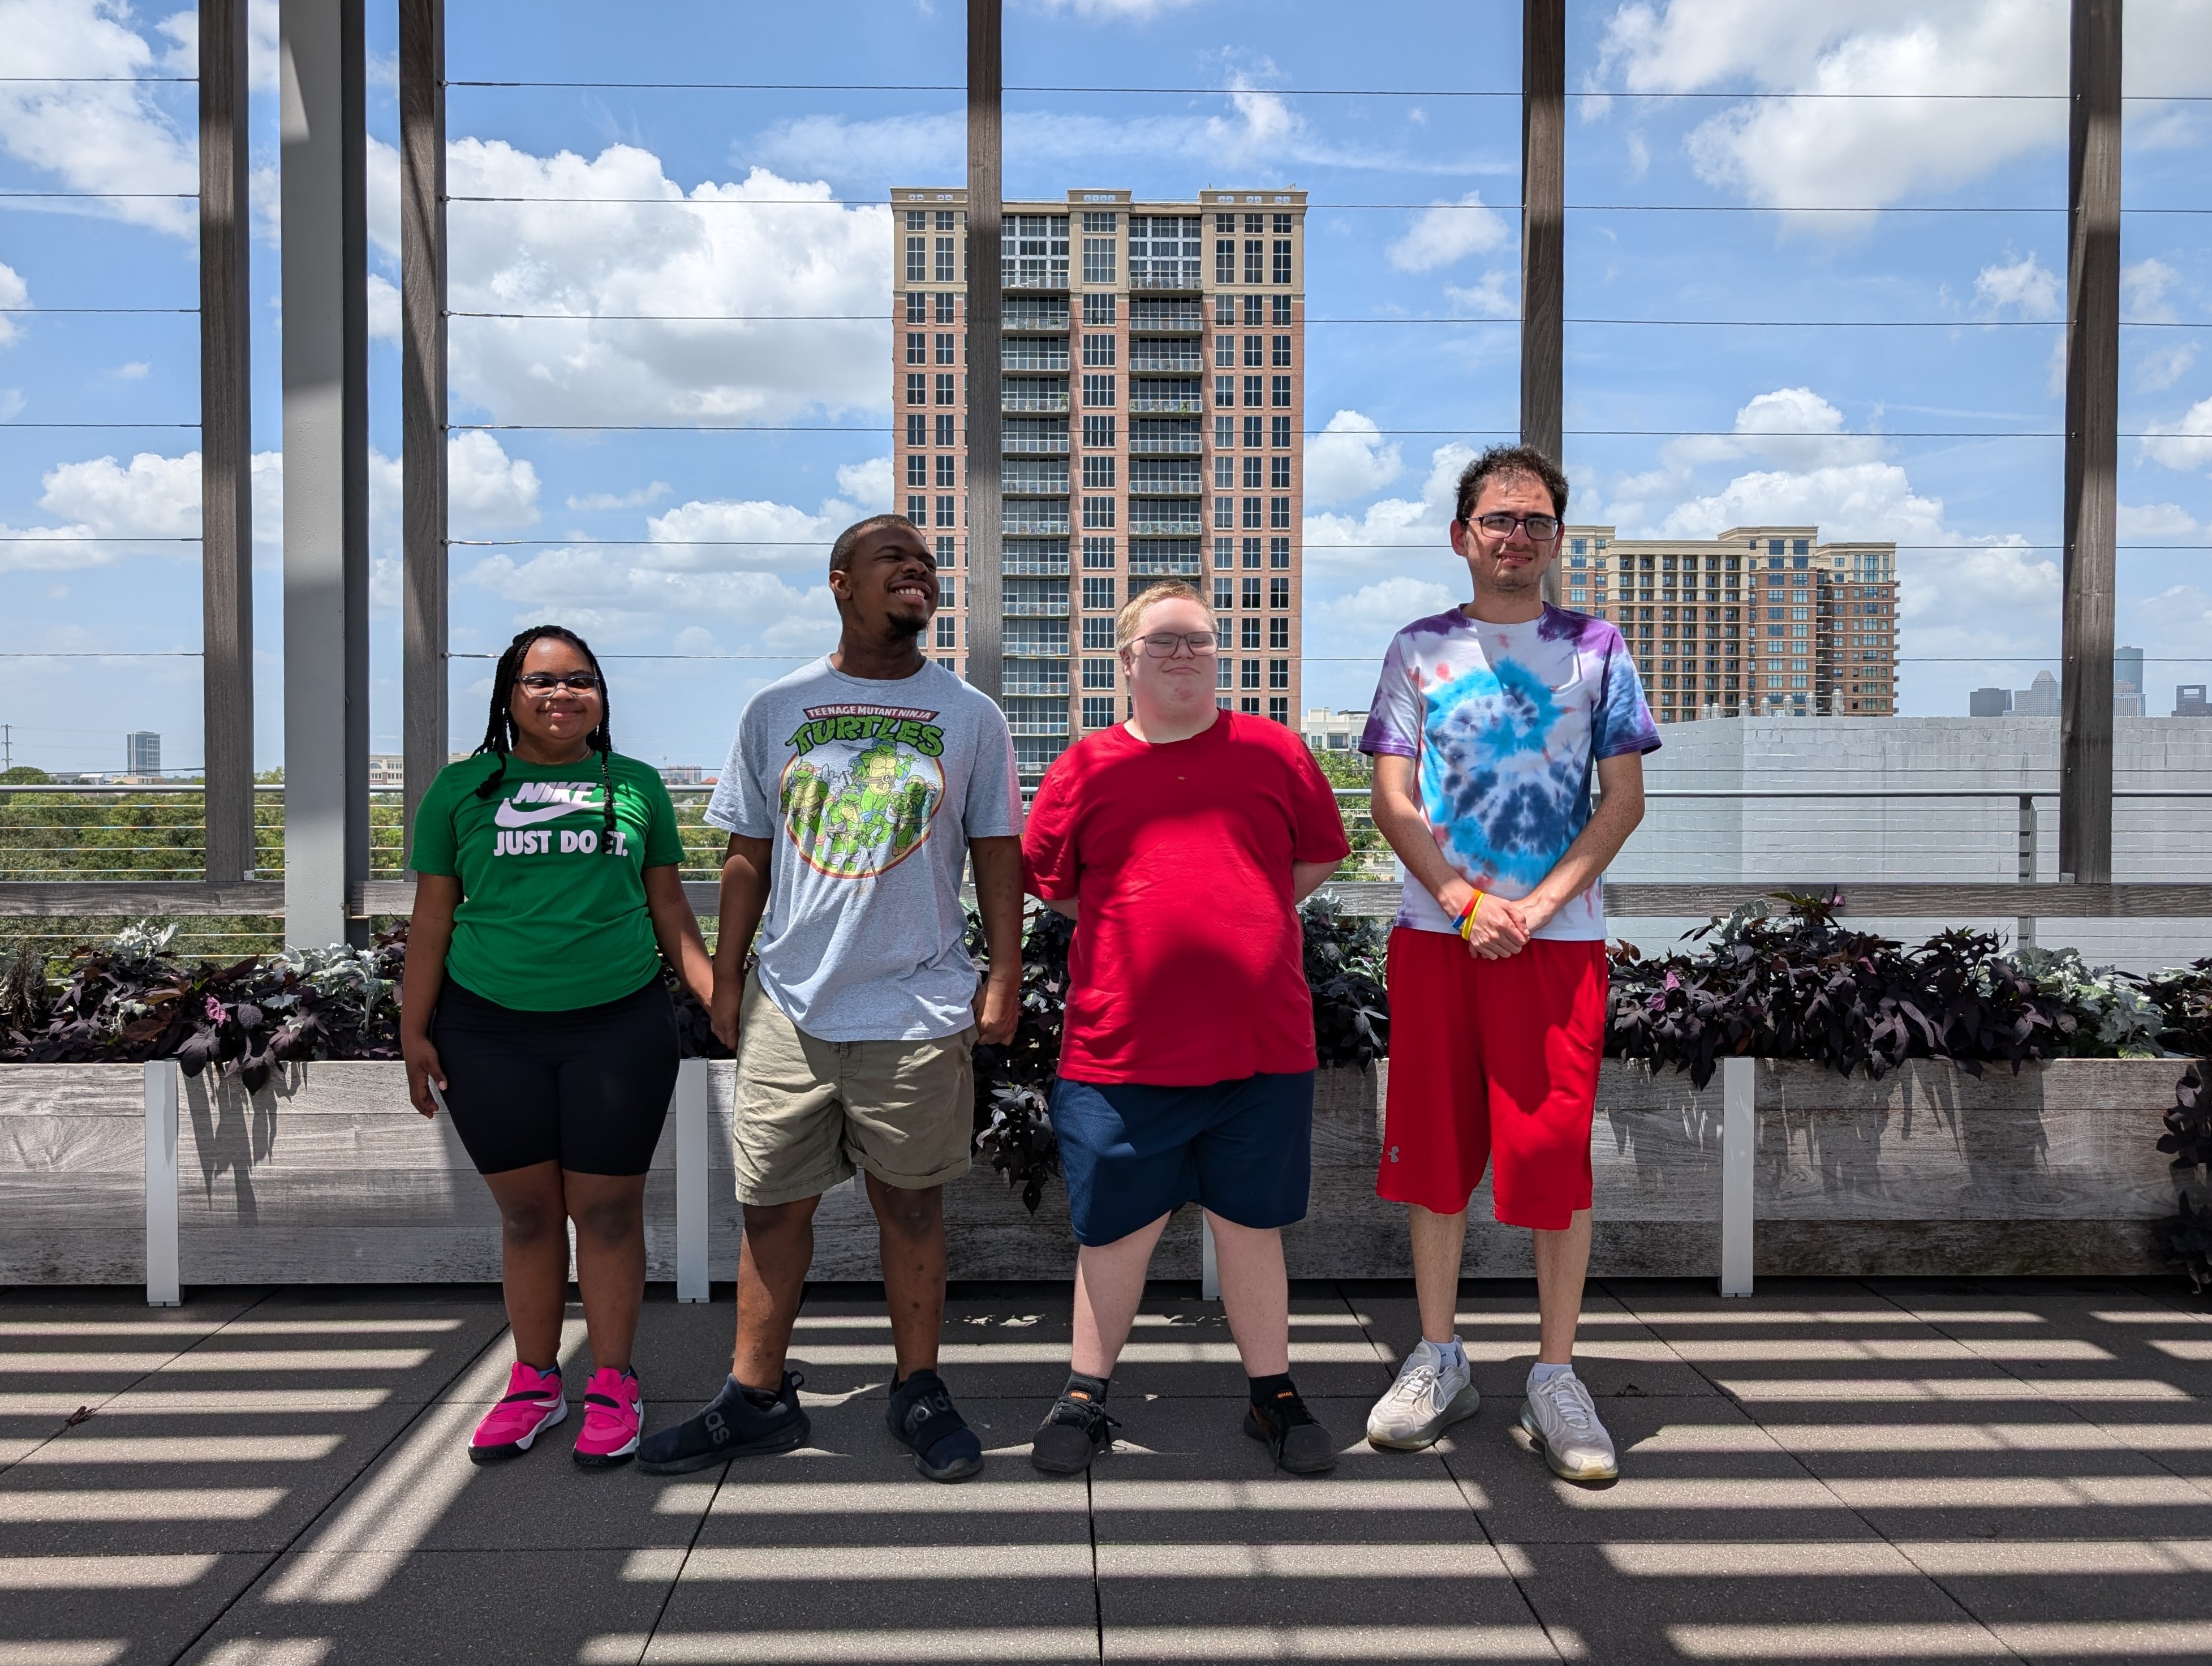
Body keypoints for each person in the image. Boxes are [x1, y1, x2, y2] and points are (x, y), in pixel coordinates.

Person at [639, 514, 1023, 1484]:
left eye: (928, 563)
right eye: (894, 557)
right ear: (840, 582)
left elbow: (996, 853)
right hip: (790, 1007)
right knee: (771, 1208)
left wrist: (1005, 973)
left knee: (911, 1208)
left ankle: (919, 1388)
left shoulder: (970, 714)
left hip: (917, 1006)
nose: (918, 571)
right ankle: (754, 1396)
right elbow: (744, 854)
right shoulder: (778, 706)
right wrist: (726, 981)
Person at [1358, 445, 1656, 1482]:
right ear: (1462, 536)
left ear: (1556, 539)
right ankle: (1439, 1356)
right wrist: (1459, 899)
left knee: (1550, 1159)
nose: (1516, 536)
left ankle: (1555, 1373)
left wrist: (1528, 908)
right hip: (1437, 936)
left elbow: (1623, 799)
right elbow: (1392, 801)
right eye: (1498, 519)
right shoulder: (1417, 650)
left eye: (1535, 521)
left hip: (1555, 944)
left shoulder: (1597, 649)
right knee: (1435, 1154)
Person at [1021, 579, 1350, 1477]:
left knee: (1251, 1228)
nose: (1181, 655)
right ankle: (1085, 1393)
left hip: (1260, 1045)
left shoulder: (1274, 752)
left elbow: (1320, 852)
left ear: (1218, 655)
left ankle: (1271, 1393)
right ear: (1124, 661)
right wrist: (1143, 917)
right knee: (1113, 1233)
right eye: (1161, 642)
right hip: (1119, 1048)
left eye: (1197, 641)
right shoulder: (1083, 766)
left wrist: (1239, 907)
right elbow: (1052, 885)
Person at [401, 625, 715, 1469]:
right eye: (541, 682)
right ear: (508, 697)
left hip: (618, 1026)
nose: (561, 695)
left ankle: (613, 1381)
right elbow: (433, 919)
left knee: (607, 1212)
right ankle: (535, 1383)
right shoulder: (462, 789)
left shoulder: (637, 786)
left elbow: (671, 915)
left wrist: (720, 997)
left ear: (600, 698)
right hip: (486, 1029)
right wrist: (413, 1030)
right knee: (529, 1214)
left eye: (580, 681)